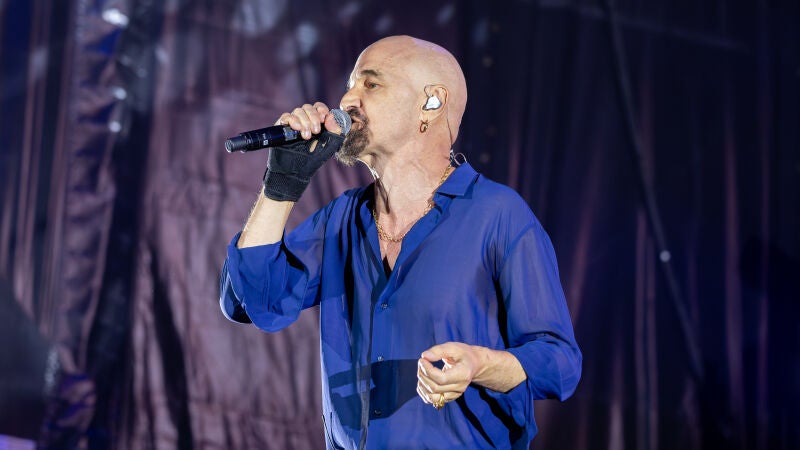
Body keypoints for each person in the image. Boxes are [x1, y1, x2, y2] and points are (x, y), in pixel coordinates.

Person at [219, 35, 581, 449]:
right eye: (350, 85)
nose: (347, 100)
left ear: (432, 102)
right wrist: (282, 183)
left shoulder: (497, 215)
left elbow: (559, 363)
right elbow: (250, 300)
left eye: (370, 84)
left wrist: (480, 363)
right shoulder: (342, 218)